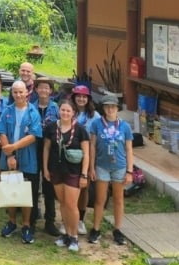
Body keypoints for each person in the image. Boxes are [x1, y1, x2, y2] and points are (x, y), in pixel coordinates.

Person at [0, 80, 42, 244]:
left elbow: (33, 135)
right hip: (9, 159)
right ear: (12, 93)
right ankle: (12, 222)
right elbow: (1, 131)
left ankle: (27, 225)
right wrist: (9, 155)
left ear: (26, 93)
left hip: (28, 158)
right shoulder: (7, 111)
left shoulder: (33, 112)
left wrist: (13, 147)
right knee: (11, 191)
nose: (18, 95)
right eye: (15, 92)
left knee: (26, 193)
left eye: (21, 92)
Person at [43, 99, 90, 252]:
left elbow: (86, 154)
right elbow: (46, 149)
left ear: (73, 113)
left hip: (73, 172)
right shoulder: (51, 128)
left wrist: (84, 174)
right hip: (56, 170)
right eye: (63, 110)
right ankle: (66, 234)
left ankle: (74, 237)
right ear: (59, 111)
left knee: (71, 205)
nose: (65, 113)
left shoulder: (81, 130)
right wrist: (45, 168)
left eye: (68, 111)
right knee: (62, 203)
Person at [88, 94, 134, 246]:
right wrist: (91, 167)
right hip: (102, 165)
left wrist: (129, 171)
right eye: (107, 106)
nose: (110, 109)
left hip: (119, 167)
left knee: (118, 199)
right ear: (103, 108)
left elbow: (129, 149)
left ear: (117, 108)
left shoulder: (125, 126)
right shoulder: (97, 124)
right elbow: (92, 146)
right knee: (100, 199)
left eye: (112, 106)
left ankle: (118, 230)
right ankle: (96, 228)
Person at [32, 77, 59, 236]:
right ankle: (33, 217)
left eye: (46, 88)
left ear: (50, 91)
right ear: (36, 90)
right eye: (40, 88)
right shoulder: (31, 107)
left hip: (51, 150)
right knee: (34, 183)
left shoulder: (56, 108)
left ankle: (50, 221)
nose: (43, 90)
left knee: (49, 185)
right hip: (34, 148)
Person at [70, 85, 99, 236]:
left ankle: (80, 220)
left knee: (84, 188)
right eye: (78, 96)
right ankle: (68, 218)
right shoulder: (68, 111)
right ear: (73, 97)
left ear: (88, 99)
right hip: (69, 156)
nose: (81, 99)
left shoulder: (95, 116)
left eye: (84, 97)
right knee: (69, 188)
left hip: (86, 156)